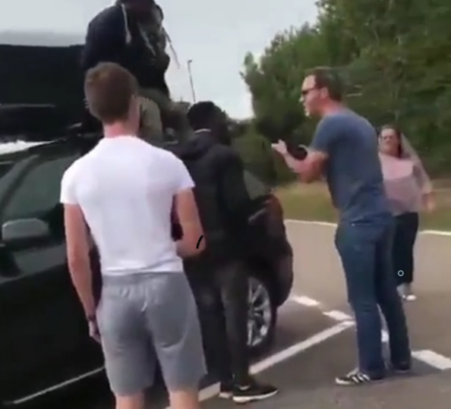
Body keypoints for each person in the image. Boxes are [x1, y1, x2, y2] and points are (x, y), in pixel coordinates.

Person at [61, 62, 206, 409]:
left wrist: (91, 313)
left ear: (94, 109)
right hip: (167, 285)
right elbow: (198, 240)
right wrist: (176, 247)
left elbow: (76, 257)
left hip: (115, 293)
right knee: (182, 389)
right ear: (135, 102)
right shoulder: (167, 163)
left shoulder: (76, 176)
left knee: (126, 397)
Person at [272, 67, 412, 385]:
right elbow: (343, 167)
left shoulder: (330, 124)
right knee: (387, 292)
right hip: (381, 215)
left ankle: (370, 366)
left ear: (323, 92)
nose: (302, 98)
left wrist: (285, 156)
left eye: (306, 91)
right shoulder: (359, 122)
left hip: (358, 221)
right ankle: (401, 358)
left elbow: (307, 173)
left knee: (361, 298)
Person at [170, 101, 278, 403]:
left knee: (209, 315)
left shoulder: (175, 158)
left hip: (194, 248)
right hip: (228, 248)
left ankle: (224, 380)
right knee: (235, 312)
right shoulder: (225, 156)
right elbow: (237, 205)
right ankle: (243, 381)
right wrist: (252, 222)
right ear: (214, 121)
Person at [81, 0, 189, 144]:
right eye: (147, 2)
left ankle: (189, 156)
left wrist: (159, 62)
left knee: (179, 115)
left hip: (137, 88)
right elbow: (99, 66)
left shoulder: (140, 25)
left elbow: (147, 72)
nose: (149, 8)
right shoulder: (112, 21)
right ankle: (150, 160)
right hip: (112, 91)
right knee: (150, 113)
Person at [378, 125, 434, 301]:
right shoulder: (374, 161)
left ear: (398, 140)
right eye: (384, 137)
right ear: (379, 141)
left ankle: (403, 283)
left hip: (408, 212)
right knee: (389, 250)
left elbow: (423, 180)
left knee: (404, 250)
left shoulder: (410, 161)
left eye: (391, 137)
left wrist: (429, 199)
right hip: (384, 213)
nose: (388, 140)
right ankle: (389, 283)